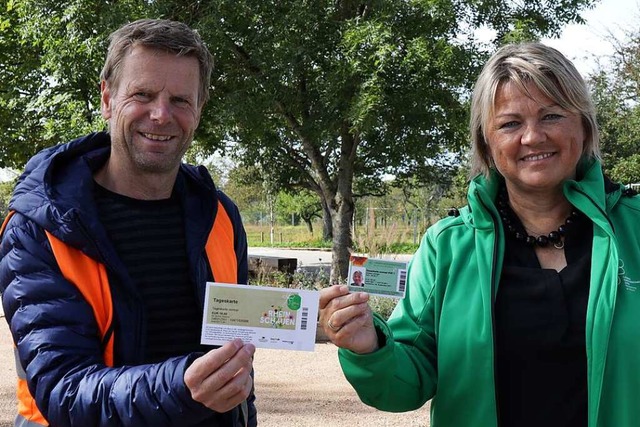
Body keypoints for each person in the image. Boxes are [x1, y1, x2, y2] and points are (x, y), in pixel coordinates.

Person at [319, 42, 640, 427]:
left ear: (584, 127)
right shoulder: (449, 246)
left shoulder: (634, 230)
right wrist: (369, 348)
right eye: (510, 123)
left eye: (552, 115)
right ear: (486, 143)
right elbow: (406, 383)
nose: (533, 137)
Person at [0, 19, 256, 426]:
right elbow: (62, 390)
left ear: (199, 109)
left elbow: (236, 359)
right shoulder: (40, 227)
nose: (160, 115)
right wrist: (179, 388)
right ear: (107, 98)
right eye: (142, 94)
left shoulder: (219, 215)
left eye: (180, 100)